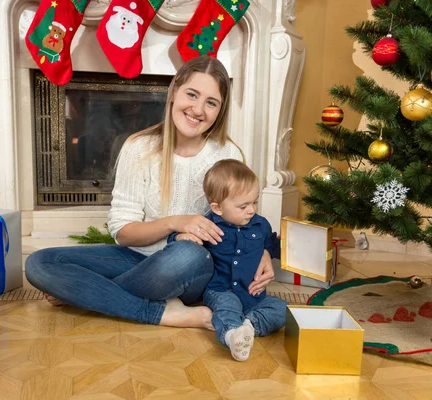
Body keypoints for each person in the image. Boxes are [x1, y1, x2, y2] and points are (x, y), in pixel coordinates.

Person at [25, 56, 276, 329]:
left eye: (211, 102)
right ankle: (166, 313)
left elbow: (243, 216)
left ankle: (86, 293)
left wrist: (261, 252)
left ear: (220, 110)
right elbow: (122, 233)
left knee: (186, 254)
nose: (198, 109)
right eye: (191, 94)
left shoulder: (227, 153)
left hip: (193, 268)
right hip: (136, 259)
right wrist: (174, 223)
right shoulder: (139, 148)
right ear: (174, 92)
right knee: (41, 263)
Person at [168, 160, 286, 361]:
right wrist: (179, 237)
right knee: (226, 309)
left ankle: (249, 326)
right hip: (221, 290)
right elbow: (179, 245)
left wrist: (283, 246)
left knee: (282, 309)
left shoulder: (261, 225)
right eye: (243, 206)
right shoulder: (209, 226)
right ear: (218, 208)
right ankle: (232, 336)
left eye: (254, 202)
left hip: (253, 294)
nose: (251, 210)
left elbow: (272, 246)